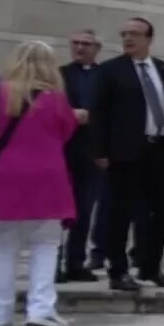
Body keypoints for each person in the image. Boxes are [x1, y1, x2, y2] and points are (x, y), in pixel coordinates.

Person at [0, 41, 87, 326]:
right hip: (48, 181)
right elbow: (64, 132)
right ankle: (41, 309)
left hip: (4, 179)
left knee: (2, 249)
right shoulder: (56, 99)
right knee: (45, 246)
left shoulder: (0, 94)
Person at [90, 17, 164, 291]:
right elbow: (99, 113)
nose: (128, 38)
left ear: (149, 39)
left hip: (161, 151)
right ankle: (118, 271)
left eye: (135, 34)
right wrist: (99, 151)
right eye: (125, 34)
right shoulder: (111, 71)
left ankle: (151, 266)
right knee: (120, 214)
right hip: (125, 153)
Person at [58, 28, 102, 282]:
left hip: (91, 152)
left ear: (96, 49)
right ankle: (54, 264)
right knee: (57, 211)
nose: (80, 48)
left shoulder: (104, 76)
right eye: (75, 43)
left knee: (84, 210)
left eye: (86, 44)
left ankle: (76, 262)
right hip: (64, 150)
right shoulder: (60, 75)